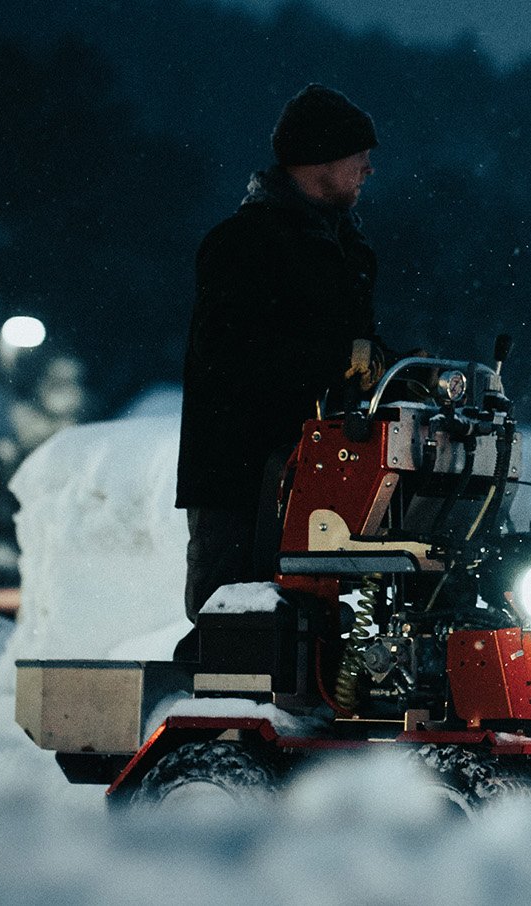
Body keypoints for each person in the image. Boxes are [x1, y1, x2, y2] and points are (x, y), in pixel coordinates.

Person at [177, 83, 383, 623]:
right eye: (359, 157)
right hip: (242, 472)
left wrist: (389, 365)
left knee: (300, 622)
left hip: (315, 469)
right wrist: (337, 358)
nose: (368, 169)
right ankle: (216, 703)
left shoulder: (346, 249)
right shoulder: (243, 243)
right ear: (320, 160)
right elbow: (230, 354)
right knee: (232, 620)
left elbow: (349, 346)